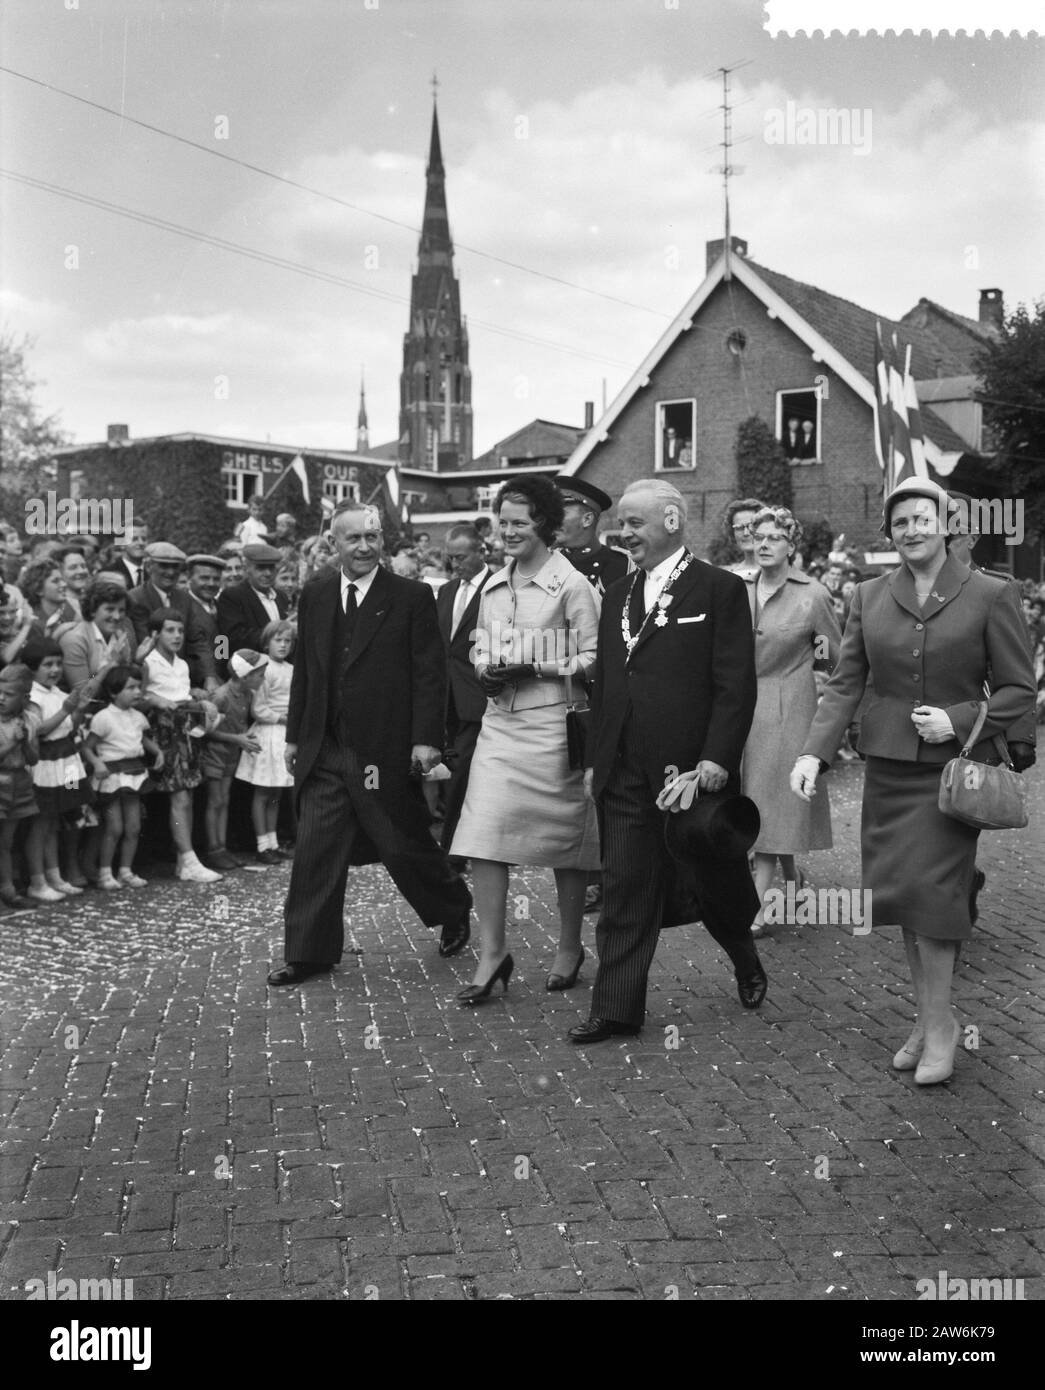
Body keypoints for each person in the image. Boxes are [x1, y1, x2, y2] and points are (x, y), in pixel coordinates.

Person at [791, 478, 1036, 1085]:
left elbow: (1019, 691)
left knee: (935, 896)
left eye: (923, 518)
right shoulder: (868, 595)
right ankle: (931, 1020)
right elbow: (846, 682)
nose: (912, 529)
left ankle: (941, 1028)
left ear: (946, 524)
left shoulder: (989, 593)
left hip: (953, 777)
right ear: (890, 532)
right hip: (889, 770)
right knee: (899, 896)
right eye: (901, 521)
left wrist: (954, 720)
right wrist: (811, 755)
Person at [569, 479, 766, 1045]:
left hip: (689, 774)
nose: (623, 533)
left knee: (712, 883)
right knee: (625, 888)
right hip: (625, 772)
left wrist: (716, 760)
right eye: (621, 524)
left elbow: (735, 686)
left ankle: (743, 955)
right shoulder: (618, 594)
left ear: (674, 521)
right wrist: (595, 761)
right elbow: (606, 683)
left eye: (635, 523)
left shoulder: (719, 590)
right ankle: (617, 1008)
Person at [268, 502, 471, 986]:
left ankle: (452, 908)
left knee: (402, 845)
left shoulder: (411, 595)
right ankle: (309, 952)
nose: (365, 546)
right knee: (316, 849)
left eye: (373, 537)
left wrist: (426, 741)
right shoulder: (315, 594)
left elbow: (429, 674)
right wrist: (297, 734)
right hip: (326, 747)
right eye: (354, 538)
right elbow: (308, 674)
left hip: (384, 747)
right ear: (333, 543)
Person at [451, 476, 601, 1002]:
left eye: (519, 523)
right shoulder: (493, 585)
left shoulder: (574, 586)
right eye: (502, 523)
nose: (507, 532)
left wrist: (536, 665)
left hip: (554, 728)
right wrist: (487, 669)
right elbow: (480, 649)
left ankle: (569, 946)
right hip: (500, 728)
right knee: (483, 837)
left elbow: (596, 659)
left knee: (567, 844)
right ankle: (493, 954)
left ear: (545, 525)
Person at [741, 508, 841, 933]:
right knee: (766, 800)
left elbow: (837, 658)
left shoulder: (812, 595)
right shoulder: (739, 587)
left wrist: (830, 708)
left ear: (792, 546)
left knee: (767, 801)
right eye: (758, 536)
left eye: (774, 537)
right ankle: (793, 881)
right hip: (742, 706)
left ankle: (759, 908)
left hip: (788, 707)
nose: (764, 544)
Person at [554, 477, 631, 915]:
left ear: (586, 516)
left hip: (601, 688)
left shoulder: (619, 566)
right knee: (567, 790)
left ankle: (607, 873)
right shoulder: (546, 566)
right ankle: (576, 870)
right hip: (556, 688)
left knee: (602, 785)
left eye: (561, 508)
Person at [139, 608, 221, 884]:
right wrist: (154, 700)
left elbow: (180, 694)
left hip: (185, 731)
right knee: (179, 797)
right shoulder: (147, 661)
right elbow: (137, 694)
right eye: (169, 630)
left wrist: (197, 697)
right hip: (163, 733)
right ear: (155, 634)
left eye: (180, 631)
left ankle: (183, 858)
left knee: (188, 796)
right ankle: (187, 858)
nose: (176, 636)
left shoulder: (182, 664)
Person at [435, 525, 493, 862]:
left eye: (460, 557)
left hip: (478, 696)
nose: (454, 564)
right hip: (447, 699)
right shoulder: (445, 591)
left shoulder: (498, 588)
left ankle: (452, 851)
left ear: (480, 552)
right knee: (454, 773)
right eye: (450, 557)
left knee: (460, 774)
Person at [84, 665, 163, 889]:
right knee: (114, 827)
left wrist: (157, 751)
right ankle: (104, 872)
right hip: (112, 776)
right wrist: (97, 763)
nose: (137, 692)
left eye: (139, 687)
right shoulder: (104, 717)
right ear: (113, 692)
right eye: (131, 688)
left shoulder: (138, 717)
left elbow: (142, 739)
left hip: (134, 773)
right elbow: (87, 747)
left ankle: (126, 871)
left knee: (134, 827)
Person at [200, 650, 267, 871]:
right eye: (259, 674)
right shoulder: (220, 696)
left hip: (230, 755)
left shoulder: (247, 694)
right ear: (245, 675)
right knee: (215, 801)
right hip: (215, 755)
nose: (262, 679)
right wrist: (237, 739)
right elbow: (205, 731)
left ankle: (223, 848)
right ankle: (214, 849)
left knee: (224, 801)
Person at [235, 619, 295, 865]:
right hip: (269, 732)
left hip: (284, 736)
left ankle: (273, 842)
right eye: (277, 640)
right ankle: (262, 844)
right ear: (266, 642)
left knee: (276, 791)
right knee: (262, 791)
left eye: (287, 641)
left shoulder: (291, 669)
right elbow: (259, 709)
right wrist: (284, 718)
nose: (282, 645)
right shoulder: (264, 668)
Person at [0, 663, 41, 910]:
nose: (1, 698)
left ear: (24, 697)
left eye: (8, 694)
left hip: (18, 782)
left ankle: (8, 889)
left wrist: (24, 741)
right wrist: (11, 743)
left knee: (7, 841)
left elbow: (34, 758)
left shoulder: (28, 720)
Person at [216, 543, 290, 667]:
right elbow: (235, 637)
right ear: (247, 569)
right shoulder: (233, 596)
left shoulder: (281, 596)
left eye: (271, 568)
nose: (267, 573)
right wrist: (280, 632)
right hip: (251, 672)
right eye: (261, 568)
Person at [555, 478, 631, 595]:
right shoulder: (548, 563)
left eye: (560, 514)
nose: (553, 519)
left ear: (587, 519)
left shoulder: (625, 566)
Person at [59, 580, 133, 692]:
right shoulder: (75, 640)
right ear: (93, 610)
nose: (117, 616)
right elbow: (83, 693)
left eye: (121, 610)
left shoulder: (120, 636)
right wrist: (112, 663)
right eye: (110, 609)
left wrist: (139, 662)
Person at [128, 542, 192, 647]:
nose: (171, 572)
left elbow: (194, 639)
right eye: (164, 566)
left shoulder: (185, 598)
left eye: (175, 567)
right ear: (148, 567)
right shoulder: (136, 598)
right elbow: (145, 641)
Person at [183, 555, 225, 693]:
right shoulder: (183, 607)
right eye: (204, 578)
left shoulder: (221, 607)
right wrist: (209, 676)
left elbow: (222, 643)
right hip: (197, 684)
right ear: (190, 578)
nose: (211, 583)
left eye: (216, 579)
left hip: (221, 680)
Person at [20, 559, 79, 641]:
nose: (64, 584)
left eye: (62, 580)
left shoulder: (71, 608)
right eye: (56, 581)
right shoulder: (32, 624)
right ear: (39, 590)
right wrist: (57, 635)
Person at [722, 497, 766, 580]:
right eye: (739, 528)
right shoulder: (730, 576)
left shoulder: (779, 572)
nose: (746, 533)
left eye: (751, 526)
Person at [111, 526, 149, 591]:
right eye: (134, 539)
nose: (141, 543)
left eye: (144, 539)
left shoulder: (153, 574)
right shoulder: (109, 573)